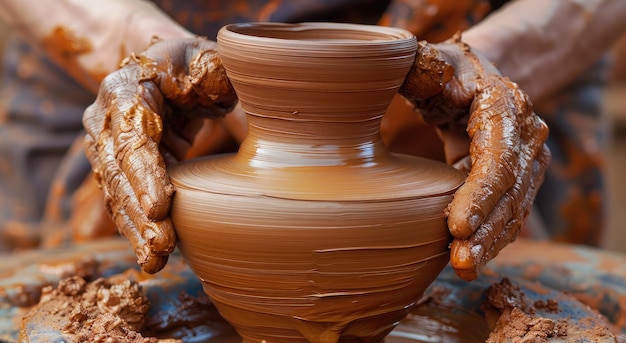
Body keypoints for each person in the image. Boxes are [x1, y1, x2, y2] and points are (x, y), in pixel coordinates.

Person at [0, 0, 623, 280]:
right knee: (84, 302)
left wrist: (491, 57)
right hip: (130, 38)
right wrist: (135, 45)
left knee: (518, 301)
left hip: (493, 38)